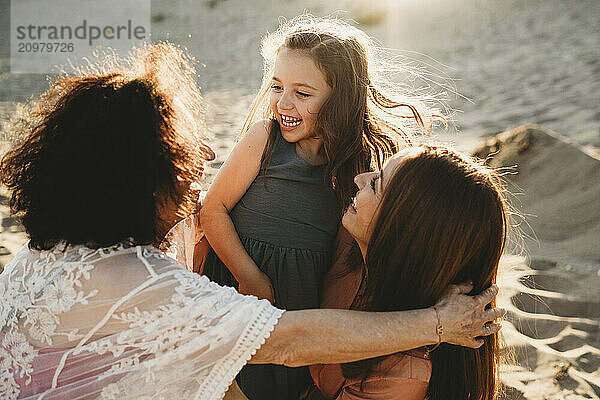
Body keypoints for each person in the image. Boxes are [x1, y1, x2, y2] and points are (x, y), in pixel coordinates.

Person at [0, 42, 503, 400]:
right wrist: (437, 324)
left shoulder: (46, 251)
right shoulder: (143, 285)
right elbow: (289, 342)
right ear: (138, 182)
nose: (208, 153)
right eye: (181, 153)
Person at [199, 16, 440, 399]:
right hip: (240, 288)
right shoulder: (264, 140)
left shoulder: (362, 169)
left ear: (340, 98)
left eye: (303, 93)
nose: (283, 102)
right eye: (277, 86)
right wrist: (249, 276)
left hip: (308, 305)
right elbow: (212, 209)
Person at [305, 147, 508, 400]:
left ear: (402, 230)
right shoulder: (351, 241)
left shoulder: (401, 373)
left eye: (376, 183)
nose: (360, 179)